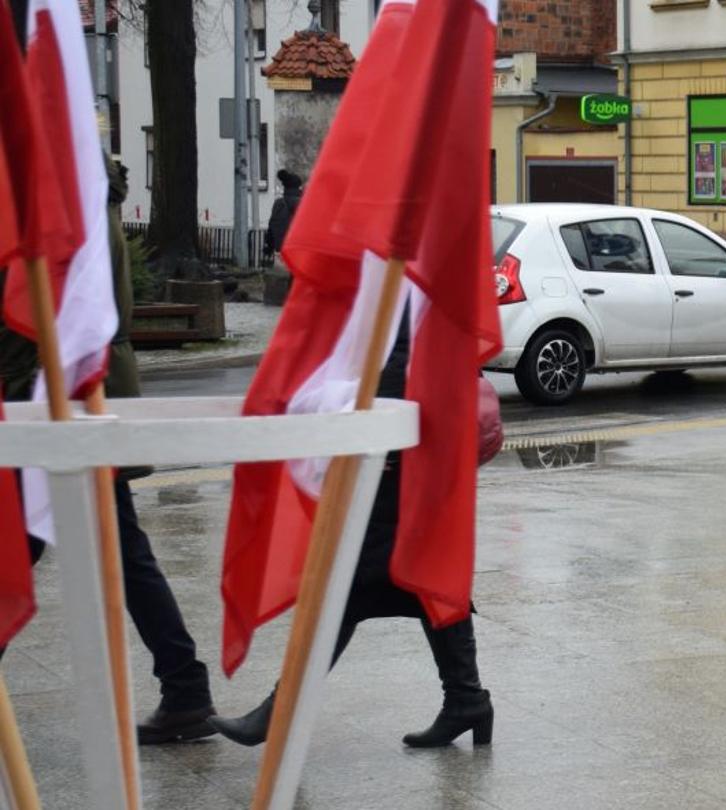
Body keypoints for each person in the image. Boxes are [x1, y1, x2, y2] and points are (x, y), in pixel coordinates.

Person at [0, 154, 218, 745]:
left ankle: (186, 688)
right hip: (79, 384)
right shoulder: (83, 178)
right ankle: (185, 688)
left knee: (26, 548)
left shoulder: (50, 180)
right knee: (115, 548)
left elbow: (35, 307)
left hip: (53, 389)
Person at [209, 313, 495, 749]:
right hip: (411, 446)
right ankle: (466, 699)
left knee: (349, 584)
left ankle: (279, 712)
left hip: (402, 450)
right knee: (425, 583)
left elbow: (402, 353)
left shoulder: (407, 269)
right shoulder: (405, 273)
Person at [264, 169, 304, 259]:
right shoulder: (303, 203)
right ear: (298, 187)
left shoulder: (278, 203)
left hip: (282, 249)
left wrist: (269, 246)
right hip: (298, 249)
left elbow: (272, 225)